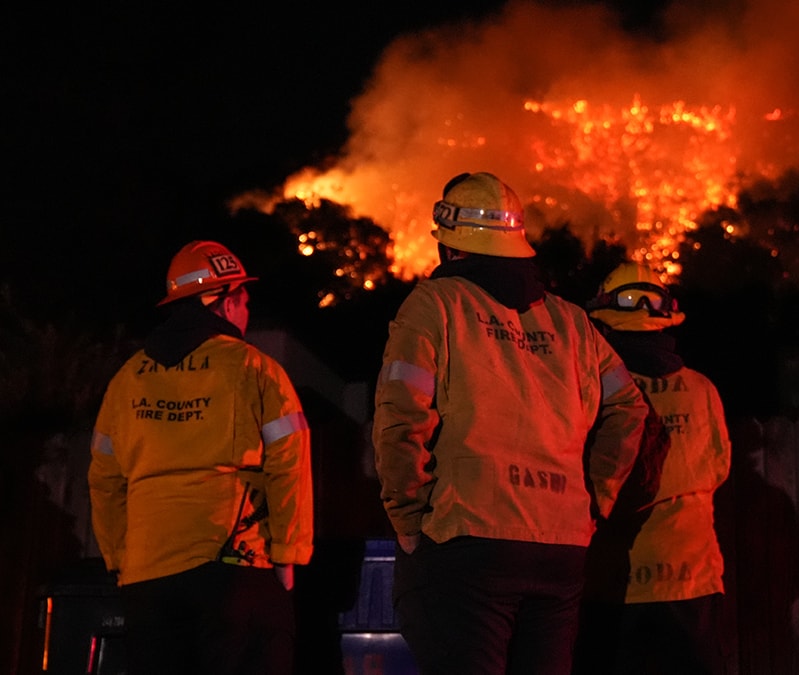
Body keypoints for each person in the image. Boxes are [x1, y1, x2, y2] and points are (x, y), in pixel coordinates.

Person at [372, 171, 648, 675]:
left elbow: (400, 418)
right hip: (560, 546)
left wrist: (407, 519)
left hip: (467, 541)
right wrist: (595, 497)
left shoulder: (434, 306)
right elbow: (629, 409)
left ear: (451, 248)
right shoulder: (572, 322)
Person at [88, 240, 314, 675]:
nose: (246, 312)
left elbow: (104, 480)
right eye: (243, 301)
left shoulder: (127, 379)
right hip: (232, 571)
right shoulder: (255, 369)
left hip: (146, 583)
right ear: (225, 303)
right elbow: (290, 463)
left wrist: (120, 560)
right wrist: (288, 555)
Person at [574, 262, 732, 675]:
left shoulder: (590, 387)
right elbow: (718, 468)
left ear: (605, 323)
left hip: (611, 580)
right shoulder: (701, 389)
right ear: (665, 321)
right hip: (690, 579)